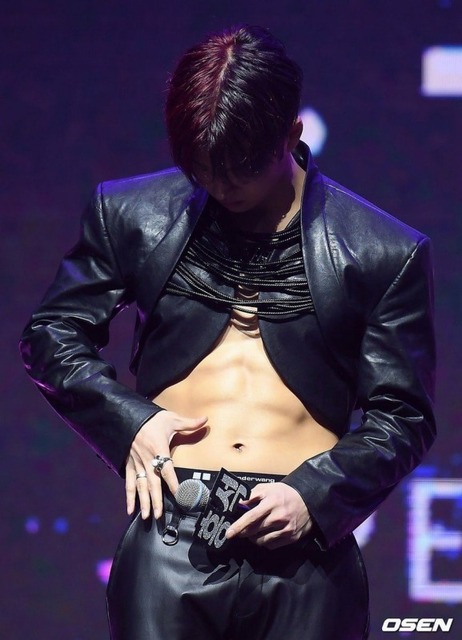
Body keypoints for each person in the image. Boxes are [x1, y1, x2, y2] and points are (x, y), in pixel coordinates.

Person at [20, 24, 436, 640]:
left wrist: (316, 496)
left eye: (241, 168)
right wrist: (129, 422)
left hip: (303, 539)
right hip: (172, 532)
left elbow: (403, 415)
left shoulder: (381, 250)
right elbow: (52, 333)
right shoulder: (132, 214)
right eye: (203, 169)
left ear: (291, 135)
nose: (221, 185)